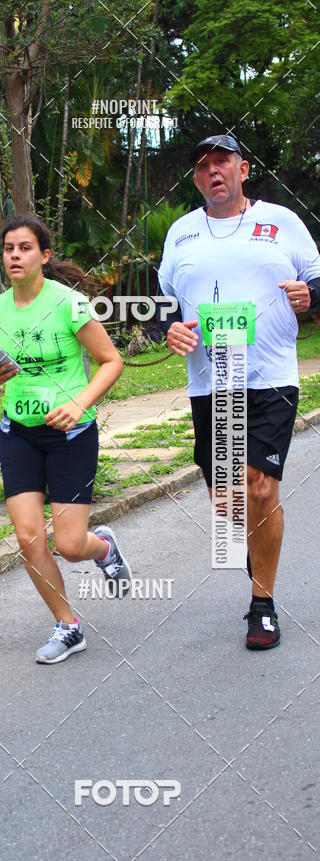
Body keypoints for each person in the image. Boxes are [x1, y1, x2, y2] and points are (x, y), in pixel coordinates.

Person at [158, 134, 320, 650]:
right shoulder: (182, 233)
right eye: (203, 166)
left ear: (242, 169)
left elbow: (317, 280)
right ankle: (259, 552)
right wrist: (170, 328)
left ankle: (262, 605)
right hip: (212, 382)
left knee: (260, 486)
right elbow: (164, 302)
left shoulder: (281, 222)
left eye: (222, 162)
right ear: (196, 179)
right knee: (227, 501)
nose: (213, 171)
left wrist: (310, 295)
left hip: (270, 377)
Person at [0, 214, 131, 664]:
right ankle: (68, 625)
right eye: (9, 249)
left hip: (70, 434)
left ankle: (103, 548)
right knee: (28, 538)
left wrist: (78, 404)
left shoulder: (69, 304)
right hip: (19, 433)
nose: (15, 256)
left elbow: (111, 361)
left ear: (43, 256)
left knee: (70, 545)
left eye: (25, 248)